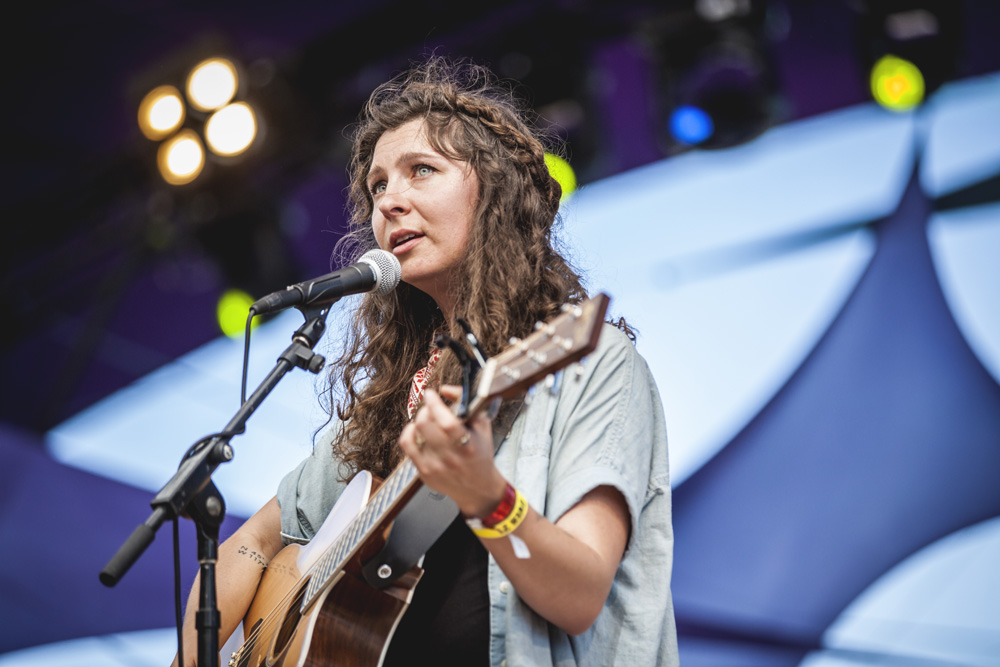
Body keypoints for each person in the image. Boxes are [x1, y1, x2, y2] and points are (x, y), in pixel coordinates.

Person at [173, 56, 678, 666]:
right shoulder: (387, 405)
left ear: (493, 194)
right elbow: (255, 540)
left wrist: (488, 496)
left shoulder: (585, 365)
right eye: (378, 186)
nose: (390, 201)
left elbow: (580, 596)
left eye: (422, 170)